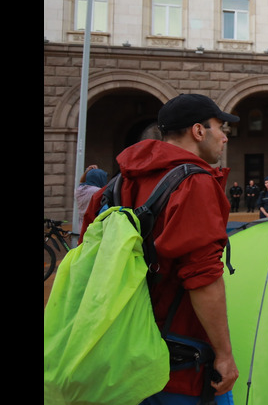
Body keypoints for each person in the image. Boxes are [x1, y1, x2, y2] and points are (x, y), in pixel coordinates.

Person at [78, 93, 240, 402]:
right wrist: (224, 355)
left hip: (119, 343)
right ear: (198, 131)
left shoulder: (116, 185)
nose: (225, 138)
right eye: (221, 128)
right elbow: (202, 276)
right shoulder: (195, 183)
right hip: (177, 355)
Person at [73, 165, 107, 244]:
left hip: (82, 227)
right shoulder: (98, 191)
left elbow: (82, 181)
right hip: (93, 228)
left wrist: (88, 172)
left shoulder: (79, 190)